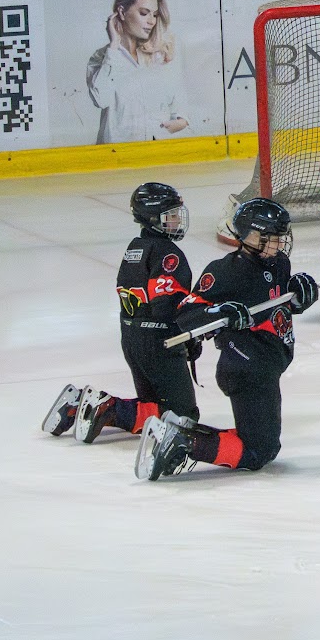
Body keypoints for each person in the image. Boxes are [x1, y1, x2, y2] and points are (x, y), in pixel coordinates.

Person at [134, 199, 320, 481]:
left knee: (263, 446)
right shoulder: (225, 271)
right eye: (272, 237)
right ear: (250, 236)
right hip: (245, 367)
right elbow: (187, 313)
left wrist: (299, 297)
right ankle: (183, 441)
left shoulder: (280, 263)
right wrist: (219, 312)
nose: (280, 243)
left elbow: (276, 306)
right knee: (259, 451)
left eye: (281, 236)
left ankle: (183, 437)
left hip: (266, 366)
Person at [42, 183, 199, 444]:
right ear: (153, 218)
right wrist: (188, 335)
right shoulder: (167, 253)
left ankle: (78, 404)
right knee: (182, 418)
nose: (176, 220)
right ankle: (107, 407)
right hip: (159, 344)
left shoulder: (135, 247)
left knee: (152, 407)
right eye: (170, 215)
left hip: (132, 338)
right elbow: (166, 306)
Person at [85, 0, 189, 144]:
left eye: (154, 15)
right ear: (121, 12)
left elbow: (179, 101)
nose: (151, 21)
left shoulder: (159, 56)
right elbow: (100, 99)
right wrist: (114, 46)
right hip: (116, 154)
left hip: (156, 152)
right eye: (144, 13)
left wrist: (180, 121)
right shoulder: (102, 57)